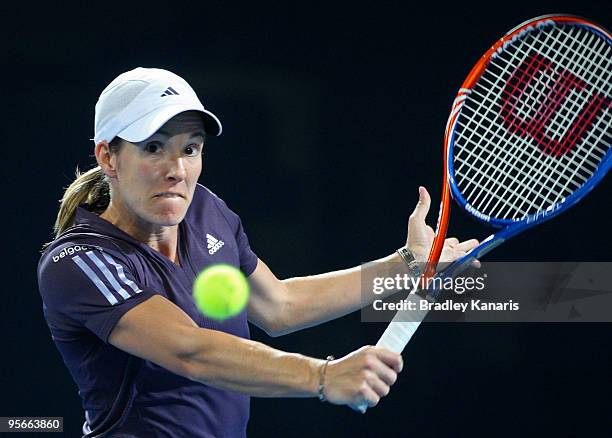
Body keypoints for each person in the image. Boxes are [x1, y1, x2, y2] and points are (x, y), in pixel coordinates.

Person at [37, 67, 479, 437]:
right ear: (108, 157)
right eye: (154, 148)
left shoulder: (206, 211)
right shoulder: (78, 261)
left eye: (190, 149)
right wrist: (323, 378)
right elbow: (190, 351)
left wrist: (403, 266)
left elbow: (280, 306)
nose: (177, 170)